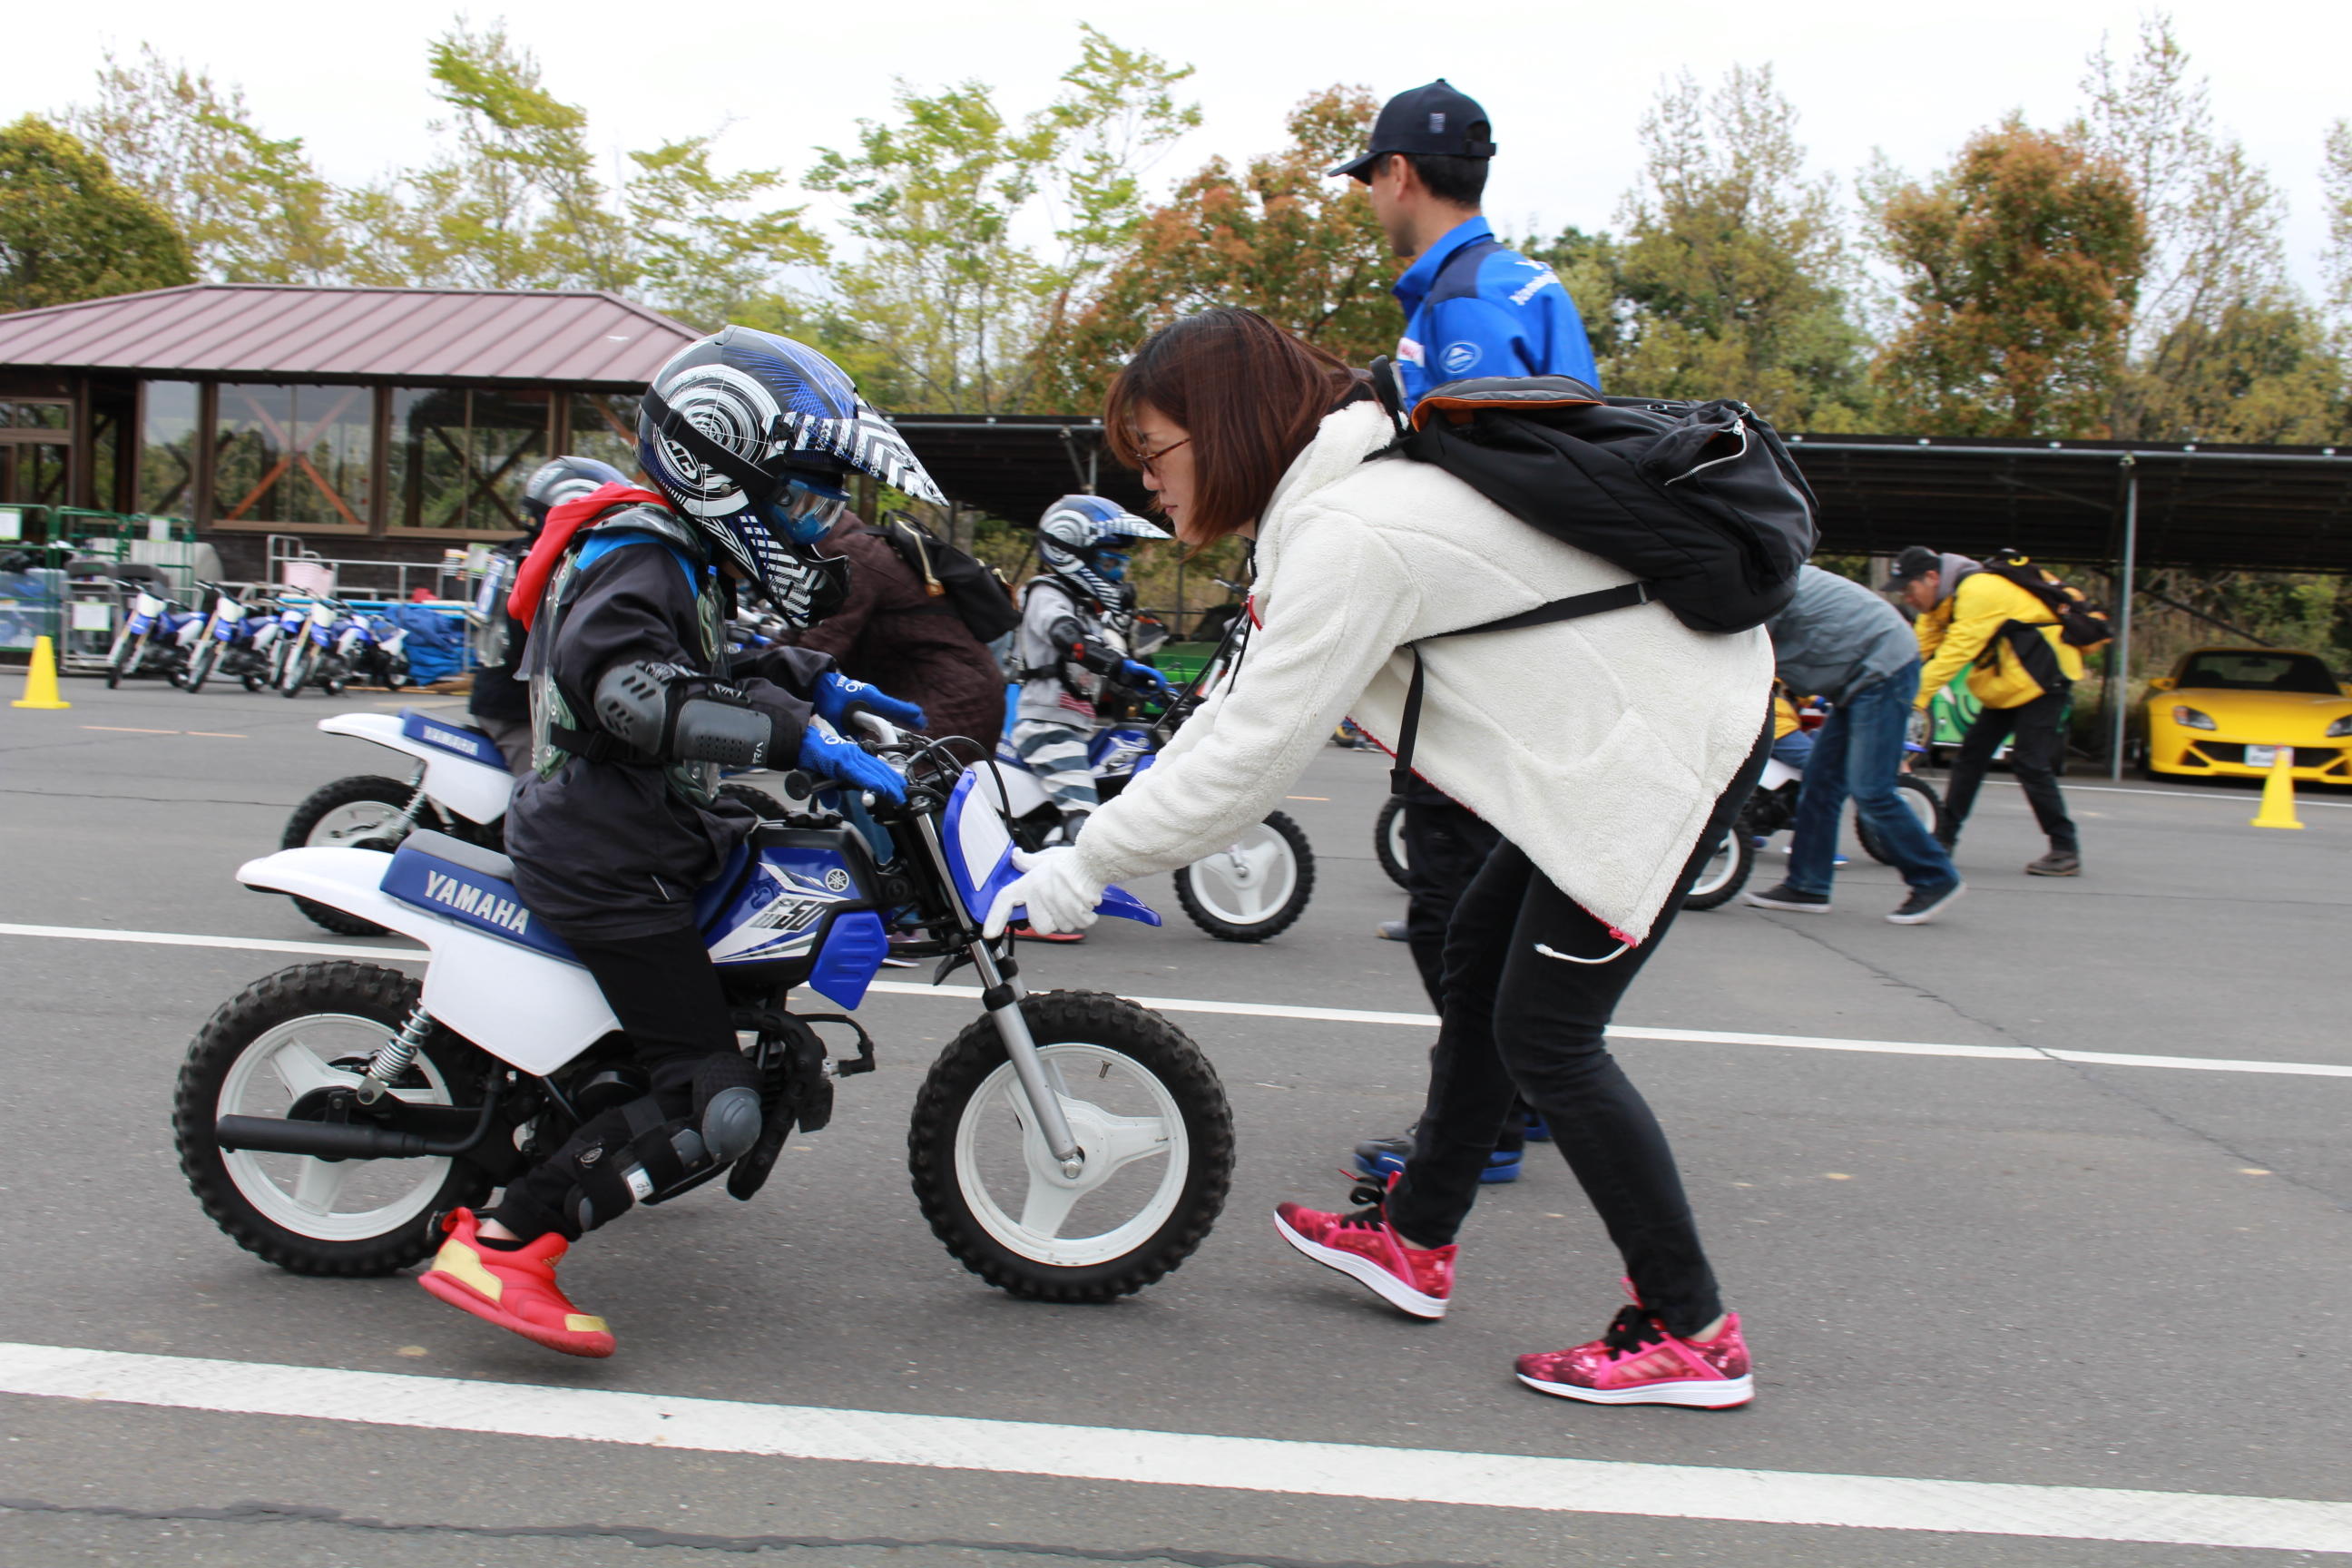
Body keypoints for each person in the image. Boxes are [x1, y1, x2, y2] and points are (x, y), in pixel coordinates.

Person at [987, 309, 1772, 1408]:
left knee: (1550, 1038)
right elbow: (1229, 710)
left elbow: (1250, 761)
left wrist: (1081, 866)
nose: (1149, 487)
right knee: (1478, 973)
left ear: (1224, 427)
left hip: (1663, 755)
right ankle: (1416, 1239)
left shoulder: (1358, 534)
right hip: (1610, 756)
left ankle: (1692, 1330)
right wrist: (1086, 847)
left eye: (1156, 453)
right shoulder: (1331, 512)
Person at [416, 327, 940, 1358]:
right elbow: (629, 692)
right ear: (720, 468)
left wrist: (814, 682)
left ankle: (606, 1107)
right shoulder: (644, 552)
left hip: (648, 837)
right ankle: (510, 1243)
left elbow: (708, 663)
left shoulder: (674, 552)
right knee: (714, 1103)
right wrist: (806, 740)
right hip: (611, 859)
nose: (815, 520)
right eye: (799, 496)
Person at [1333, 78, 1598, 1181]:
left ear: (1399, 175)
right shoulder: (1515, 281)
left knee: (1455, 901)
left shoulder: (1465, 301)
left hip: (1486, 651)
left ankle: (1477, 1127)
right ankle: (1519, 1098)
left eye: (1370, 180)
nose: (1368, 200)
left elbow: (1489, 485)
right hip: (1531, 646)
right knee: (1490, 887)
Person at [1743, 564, 1965, 922]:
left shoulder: (1759, 585)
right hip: (1859, 676)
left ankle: (1935, 877)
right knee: (1820, 782)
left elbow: (1743, 657)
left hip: (1882, 670)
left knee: (1871, 789)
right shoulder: (1759, 576)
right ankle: (1807, 886)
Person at [1004, 495, 1173, 941]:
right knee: (1084, 819)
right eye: (1110, 560)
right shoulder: (1047, 595)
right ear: (1071, 552)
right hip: (1046, 727)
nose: (1118, 572)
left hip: (1073, 727)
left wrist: (1142, 681)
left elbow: (1104, 662)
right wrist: (1117, 665)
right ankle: (1034, 913)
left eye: (1122, 562)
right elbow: (1069, 641)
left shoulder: (1086, 607)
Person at [1889, 546, 2083, 877]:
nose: (1909, 598)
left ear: (1932, 577)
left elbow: (1955, 653)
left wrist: (1913, 700)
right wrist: (1890, 684)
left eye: (1910, 589)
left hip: (2045, 676)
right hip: (2008, 683)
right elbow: (1918, 649)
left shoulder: (1978, 591)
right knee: (1970, 759)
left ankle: (2065, 848)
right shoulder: (1941, 603)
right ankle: (1943, 840)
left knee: (2029, 761)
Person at [773, 509, 1008, 757]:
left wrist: (751, 689)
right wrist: (745, 671)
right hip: (923, 697)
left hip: (952, 701)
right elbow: (796, 633)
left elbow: (817, 648)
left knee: (874, 779)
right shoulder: (835, 556)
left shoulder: (855, 555)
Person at [467, 456, 626, 775]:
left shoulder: (515, 554)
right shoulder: (537, 568)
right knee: (546, 796)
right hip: (517, 710)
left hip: (515, 700)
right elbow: (538, 645)